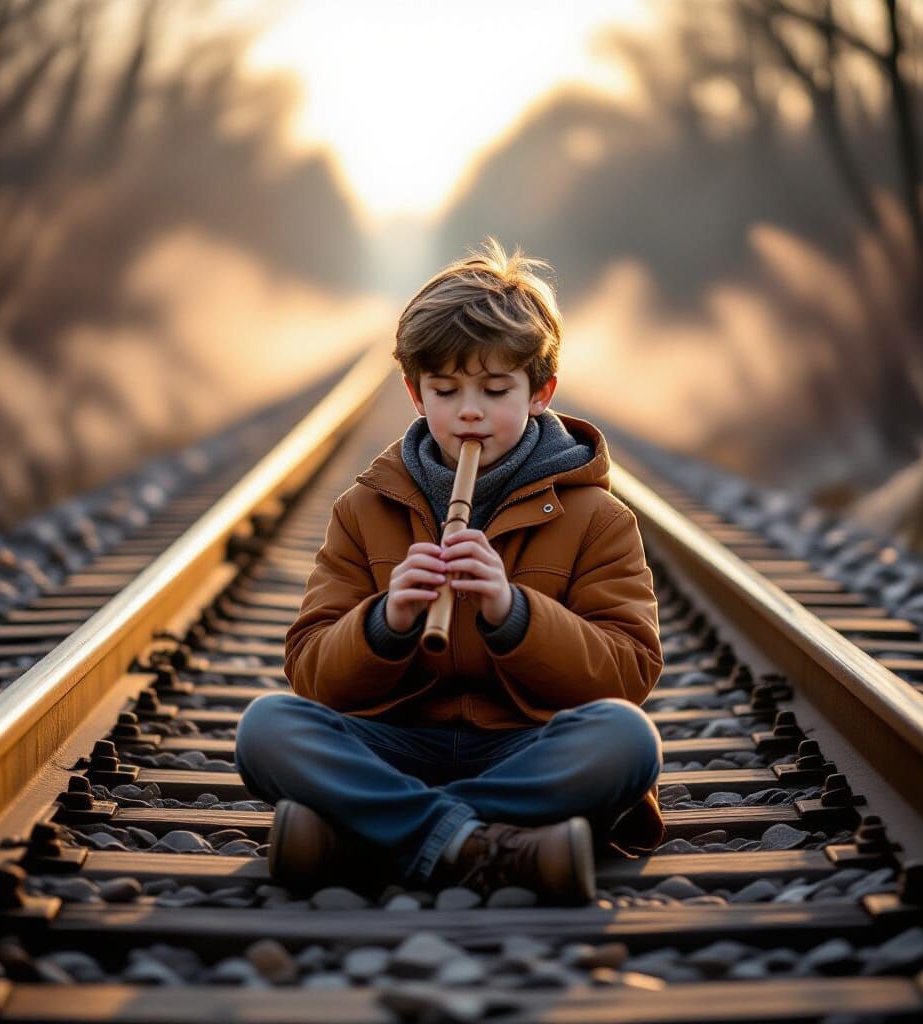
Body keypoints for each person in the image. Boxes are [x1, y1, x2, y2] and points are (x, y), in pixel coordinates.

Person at [235, 237, 664, 905]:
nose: (468, 410)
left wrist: (512, 613)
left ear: (539, 393)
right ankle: (486, 847)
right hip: (396, 742)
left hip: (522, 746)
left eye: (495, 390)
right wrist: (386, 623)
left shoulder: (599, 519)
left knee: (627, 741)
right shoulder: (364, 510)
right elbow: (312, 673)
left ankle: (373, 833)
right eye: (445, 389)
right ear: (414, 393)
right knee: (267, 727)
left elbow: (628, 672)